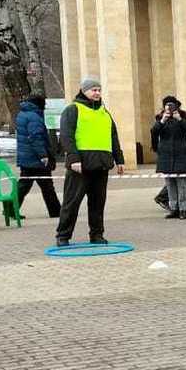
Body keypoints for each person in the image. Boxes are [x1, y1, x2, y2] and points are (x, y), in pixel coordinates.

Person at [56, 77, 125, 246]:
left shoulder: (104, 112)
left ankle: (97, 234)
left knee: (97, 204)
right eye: (93, 90)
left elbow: (113, 137)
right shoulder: (73, 109)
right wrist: (73, 159)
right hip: (80, 166)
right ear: (84, 91)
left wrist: (119, 159)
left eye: (99, 90)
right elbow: (66, 136)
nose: (97, 93)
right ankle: (63, 236)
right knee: (72, 202)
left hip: (101, 165)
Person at [13, 94, 61, 219]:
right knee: (47, 185)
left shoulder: (23, 114)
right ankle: (56, 211)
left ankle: (10, 209)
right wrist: (43, 155)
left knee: (24, 185)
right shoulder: (34, 116)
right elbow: (36, 137)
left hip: (26, 157)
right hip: (36, 158)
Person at [151, 95, 186, 219]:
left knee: (182, 185)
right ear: (164, 107)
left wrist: (180, 119)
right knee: (170, 184)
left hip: (181, 155)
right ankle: (173, 208)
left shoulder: (182, 117)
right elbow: (153, 132)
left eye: (172, 105)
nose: (169, 107)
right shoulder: (160, 118)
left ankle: (183, 210)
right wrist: (162, 121)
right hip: (166, 156)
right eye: (167, 105)